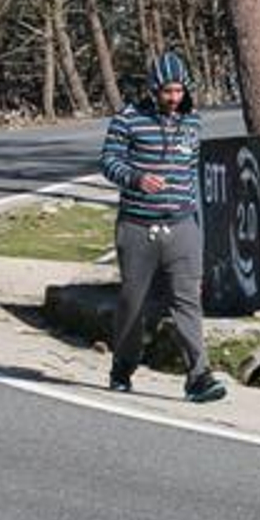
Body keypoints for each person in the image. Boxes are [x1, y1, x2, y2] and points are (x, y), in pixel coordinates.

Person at [99, 52, 225, 403]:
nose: (174, 98)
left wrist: (198, 222)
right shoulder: (128, 120)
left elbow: (192, 172)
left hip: (183, 225)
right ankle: (122, 367)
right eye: (167, 91)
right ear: (154, 89)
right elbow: (108, 161)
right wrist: (136, 178)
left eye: (179, 91)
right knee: (132, 303)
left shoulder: (193, 123)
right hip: (138, 227)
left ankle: (198, 376)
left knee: (187, 302)